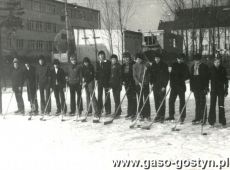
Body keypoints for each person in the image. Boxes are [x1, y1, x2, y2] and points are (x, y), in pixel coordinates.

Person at [166, 54, 190, 123]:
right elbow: (171, 76)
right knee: (171, 101)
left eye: (181, 59)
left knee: (182, 101)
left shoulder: (185, 66)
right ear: (177, 59)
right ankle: (171, 115)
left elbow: (187, 76)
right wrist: (171, 84)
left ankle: (182, 116)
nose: (180, 60)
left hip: (181, 86)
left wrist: (183, 78)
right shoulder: (174, 65)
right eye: (178, 59)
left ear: (183, 59)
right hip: (174, 86)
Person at [208, 56, 228, 127]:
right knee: (212, 105)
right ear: (214, 62)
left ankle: (222, 121)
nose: (217, 63)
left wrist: (226, 89)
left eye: (218, 62)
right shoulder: (210, 69)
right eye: (216, 62)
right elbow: (207, 79)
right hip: (213, 90)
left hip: (221, 90)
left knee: (221, 105)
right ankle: (211, 122)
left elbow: (226, 80)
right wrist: (206, 87)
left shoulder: (222, 69)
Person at [190, 54, 210, 125]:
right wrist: (191, 87)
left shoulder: (204, 66)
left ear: (200, 60)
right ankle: (198, 117)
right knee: (197, 102)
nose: (196, 62)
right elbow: (191, 78)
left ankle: (204, 118)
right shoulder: (193, 67)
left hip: (202, 87)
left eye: (198, 60)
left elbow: (207, 78)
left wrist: (206, 87)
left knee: (203, 103)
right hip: (195, 88)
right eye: (195, 60)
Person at [150, 53, 169, 123]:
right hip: (155, 86)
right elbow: (151, 75)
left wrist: (164, 86)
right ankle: (158, 115)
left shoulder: (164, 65)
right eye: (155, 58)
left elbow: (167, 76)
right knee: (156, 100)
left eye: (158, 58)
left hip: (162, 86)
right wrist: (151, 83)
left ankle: (162, 116)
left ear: (160, 58)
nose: (156, 59)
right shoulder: (153, 65)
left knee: (162, 101)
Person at [133, 53, 151, 121]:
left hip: (145, 84)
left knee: (146, 99)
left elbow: (149, 73)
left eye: (140, 59)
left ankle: (147, 115)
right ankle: (141, 114)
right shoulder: (134, 66)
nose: (138, 60)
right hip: (138, 85)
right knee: (140, 99)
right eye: (137, 59)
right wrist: (138, 83)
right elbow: (134, 76)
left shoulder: (145, 64)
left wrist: (147, 68)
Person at [121, 52, 137, 119]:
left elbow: (134, 74)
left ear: (129, 58)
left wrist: (132, 81)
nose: (125, 59)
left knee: (133, 98)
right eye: (124, 58)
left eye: (127, 57)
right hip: (126, 84)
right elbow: (122, 75)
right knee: (129, 98)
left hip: (133, 84)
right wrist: (123, 81)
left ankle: (134, 113)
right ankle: (129, 112)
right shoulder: (123, 66)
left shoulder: (133, 64)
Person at [96, 50, 111, 116]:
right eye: (100, 55)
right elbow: (96, 72)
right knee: (99, 95)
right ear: (98, 56)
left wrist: (109, 81)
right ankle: (100, 109)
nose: (101, 56)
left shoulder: (108, 62)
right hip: (100, 82)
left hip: (106, 81)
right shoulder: (97, 63)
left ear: (104, 55)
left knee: (107, 96)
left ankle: (108, 110)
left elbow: (110, 72)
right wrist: (96, 78)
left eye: (102, 55)